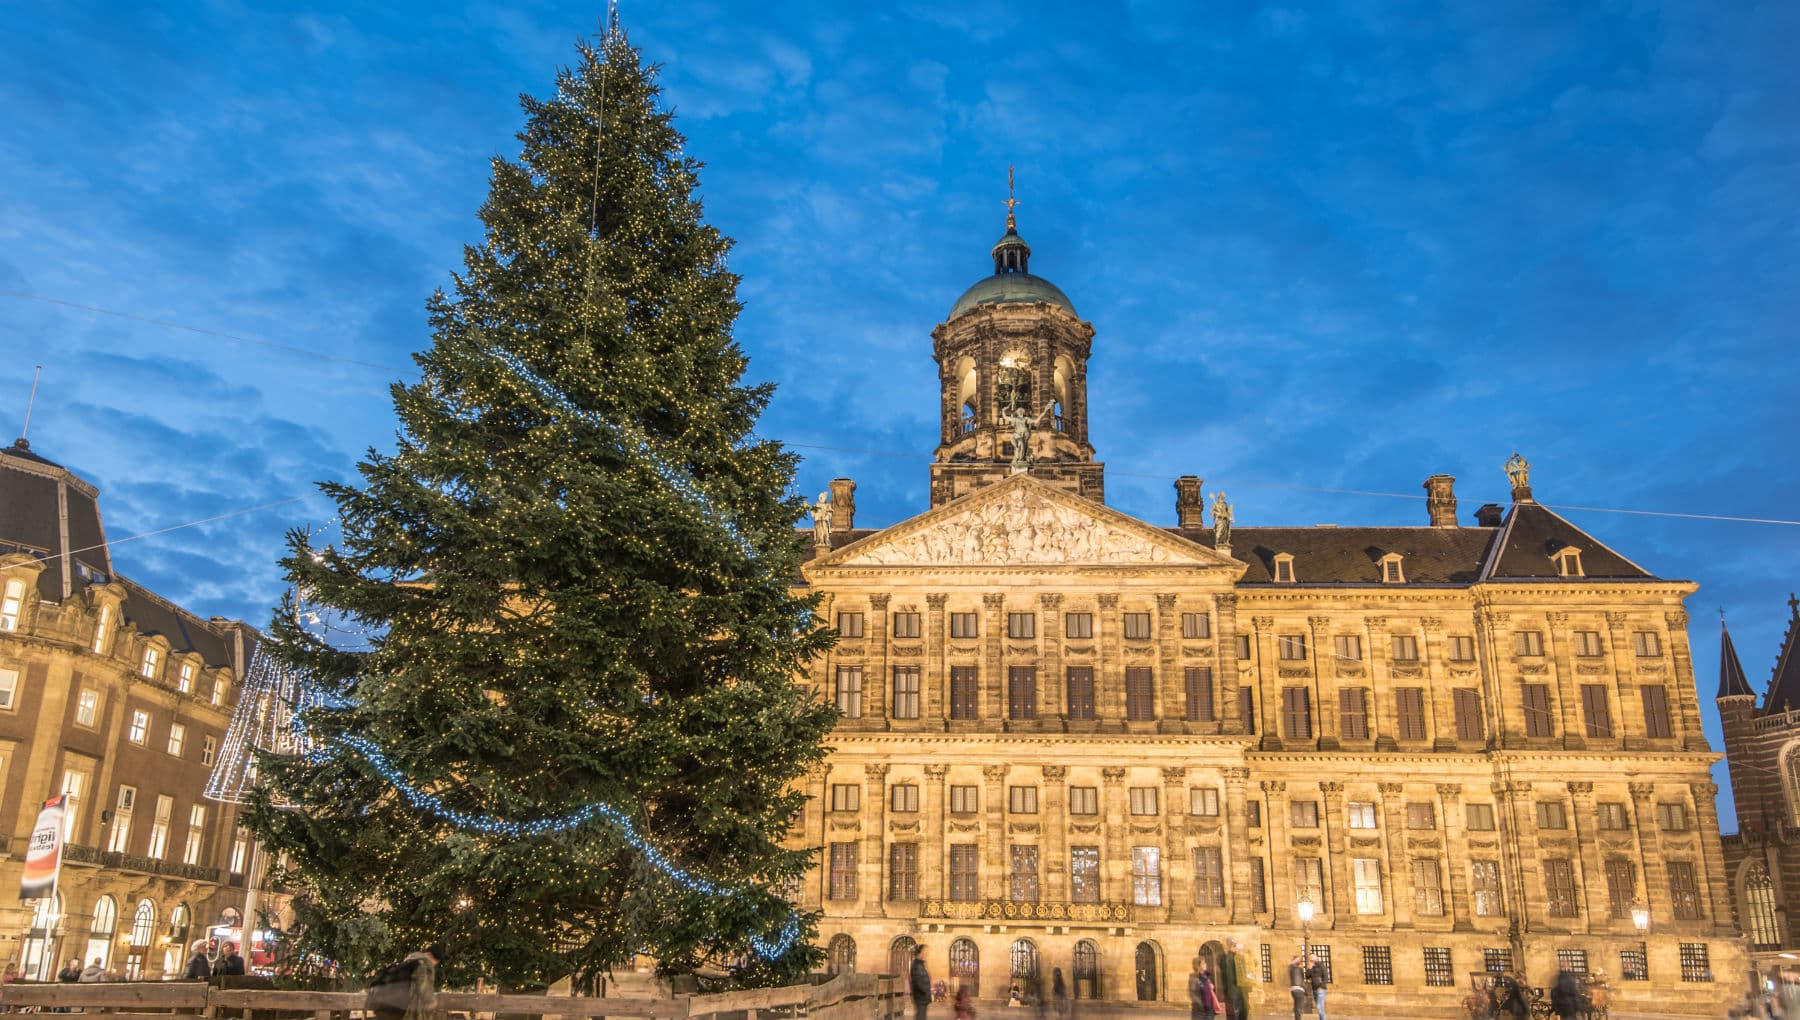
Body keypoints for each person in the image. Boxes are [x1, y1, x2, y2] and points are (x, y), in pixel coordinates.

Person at [365, 944, 444, 1020]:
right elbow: (424, 986)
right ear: (430, 955)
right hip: (403, 1011)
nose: (433, 965)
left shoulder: (409, 961)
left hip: (389, 1008)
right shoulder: (424, 964)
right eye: (434, 962)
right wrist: (431, 1002)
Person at [1217, 941, 1245, 1020]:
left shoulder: (1232, 956)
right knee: (1234, 1010)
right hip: (1232, 988)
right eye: (1234, 946)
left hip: (1234, 988)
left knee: (1234, 1010)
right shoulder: (1227, 957)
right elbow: (1229, 974)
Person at [910, 944, 932, 1020]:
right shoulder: (917, 965)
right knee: (921, 1017)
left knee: (921, 1016)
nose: (927, 954)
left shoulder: (920, 964)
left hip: (922, 996)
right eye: (925, 951)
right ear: (921, 952)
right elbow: (919, 982)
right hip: (921, 996)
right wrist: (926, 992)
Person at [1285, 955, 1307, 1020]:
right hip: (1298, 989)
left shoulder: (1298, 969)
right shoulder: (1293, 967)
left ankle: (1297, 1018)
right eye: (1298, 960)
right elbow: (1302, 980)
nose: (1299, 961)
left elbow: (1302, 979)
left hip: (1297, 989)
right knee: (1299, 1007)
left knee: (1297, 1006)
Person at [1306, 954, 1327, 1020]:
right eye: (1310, 957)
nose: (1311, 958)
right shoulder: (1311, 967)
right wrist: (1309, 969)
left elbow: (1326, 977)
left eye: (1312, 957)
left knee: (1319, 1006)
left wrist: (1321, 987)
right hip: (1314, 989)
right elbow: (1307, 976)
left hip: (1321, 989)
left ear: (1316, 958)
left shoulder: (1321, 965)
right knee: (1320, 1007)